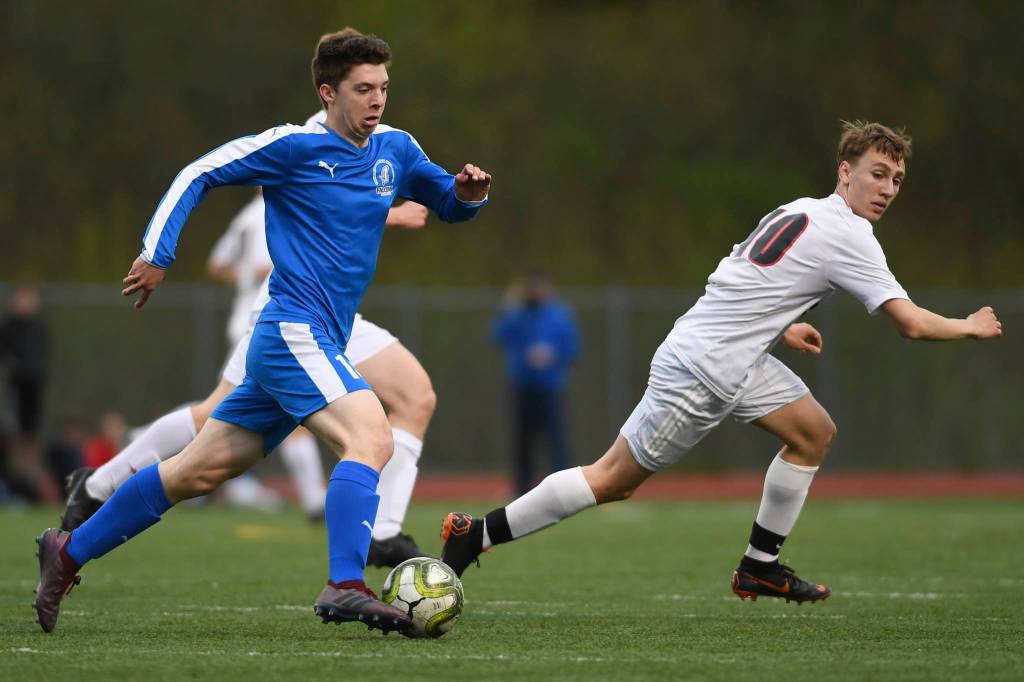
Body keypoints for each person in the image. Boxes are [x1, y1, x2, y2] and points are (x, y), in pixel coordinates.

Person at [34, 28, 491, 634]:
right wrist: (158, 252)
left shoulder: (395, 149)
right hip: (292, 331)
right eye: (363, 89)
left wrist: (467, 194)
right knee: (372, 438)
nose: (377, 100)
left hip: (321, 335)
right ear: (328, 93)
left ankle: (66, 551)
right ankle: (345, 584)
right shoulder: (294, 147)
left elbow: (443, 199)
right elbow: (198, 172)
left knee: (192, 472)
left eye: (383, 87)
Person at [441, 120, 1001, 605]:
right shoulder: (852, 236)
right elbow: (911, 323)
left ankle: (759, 567)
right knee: (612, 480)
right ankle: (475, 535)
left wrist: (781, 323)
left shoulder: (800, 209)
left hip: (730, 356)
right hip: (704, 370)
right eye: (877, 172)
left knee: (812, 433)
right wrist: (969, 326)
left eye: (897, 180)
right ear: (844, 171)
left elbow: (734, 271)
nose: (887, 188)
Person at [61, 197, 437, 563]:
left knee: (415, 395)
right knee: (214, 419)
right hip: (286, 313)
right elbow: (326, 193)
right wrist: (387, 213)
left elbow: (221, 263)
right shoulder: (292, 175)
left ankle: (382, 533)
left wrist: (452, 190)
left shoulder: (371, 145)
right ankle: (97, 486)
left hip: (333, 315)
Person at [491, 270, 580, 494]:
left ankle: (564, 488)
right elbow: (497, 336)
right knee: (522, 444)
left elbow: (573, 347)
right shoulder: (517, 313)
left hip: (550, 388)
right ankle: (521, 489)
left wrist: (552, 354)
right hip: (522, 388)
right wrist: (508, 309)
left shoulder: (560, 315)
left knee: (556, 441)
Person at [0, 285, 52, 501]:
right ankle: (19, 484)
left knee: (31, 435)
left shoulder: (38, 328)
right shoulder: (9, 327)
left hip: (34, 388)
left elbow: (43, 355)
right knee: (17, 435)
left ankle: (34, 485)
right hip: (16, 388)